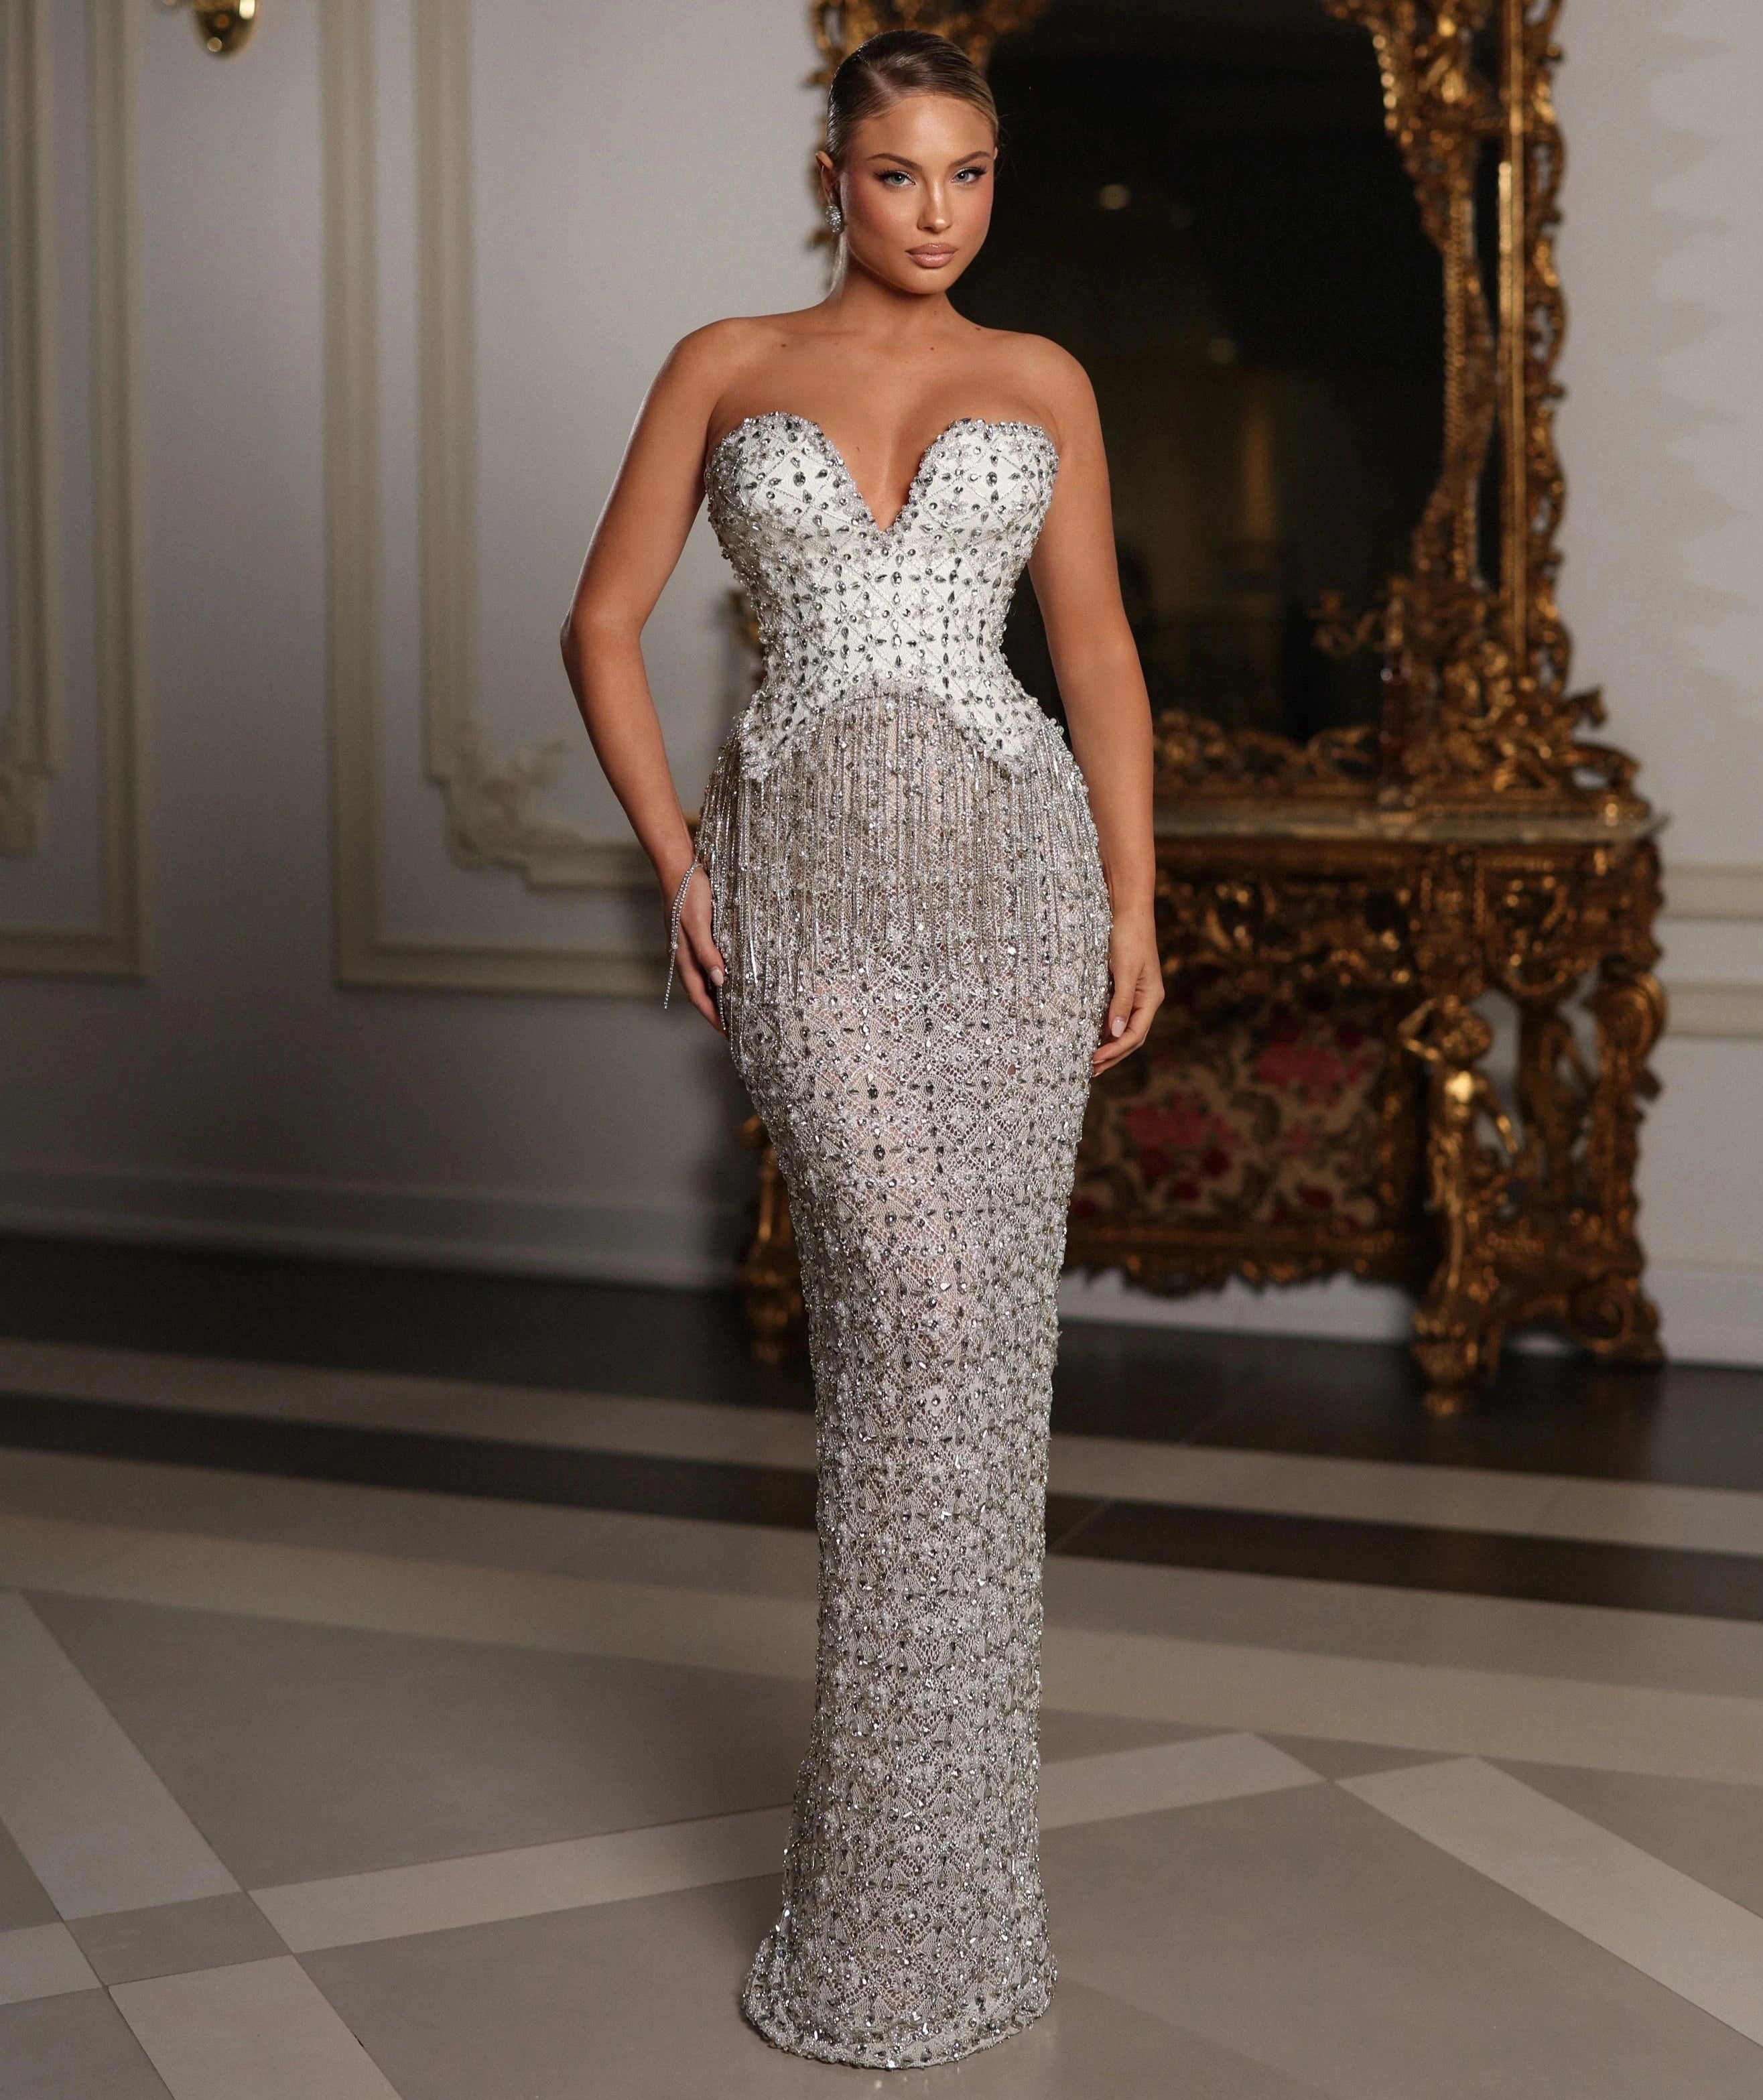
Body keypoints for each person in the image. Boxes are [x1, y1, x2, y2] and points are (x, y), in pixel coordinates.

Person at [560, 28, 1160, 2070]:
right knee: (911, 1314)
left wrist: (1141, 899)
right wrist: (680, 860)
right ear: (836, 177)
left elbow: (1091, 652)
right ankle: (887, 1908)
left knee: (982, 1366)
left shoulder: (1045, 379)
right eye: (902, 174)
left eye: (971, 175)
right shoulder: (727, 362)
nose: (938, 211)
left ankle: (950, 1914)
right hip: (811, 900)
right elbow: (602, 622)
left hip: (1017, 886)